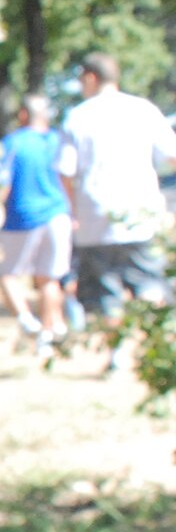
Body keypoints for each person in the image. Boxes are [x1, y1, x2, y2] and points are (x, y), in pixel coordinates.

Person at [58, 53, 176, 338]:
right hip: (141, 216)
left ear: (90, 78)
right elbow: (172, 156)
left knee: (103, 292)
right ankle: (152, 343)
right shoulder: (143, 110)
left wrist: (73, 213)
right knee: (148, 283)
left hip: (94, 220)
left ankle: (118, 352)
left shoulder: (78, 116)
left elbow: (65, 172)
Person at [0, 93, 73, 351]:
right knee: (49, 279)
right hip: (58, 216)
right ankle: (47, 338)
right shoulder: (58, 142)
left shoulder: (13, 143)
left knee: (5, 273)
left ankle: (27, 320)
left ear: (23, 115)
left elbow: (2, 182)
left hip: (22, 218)